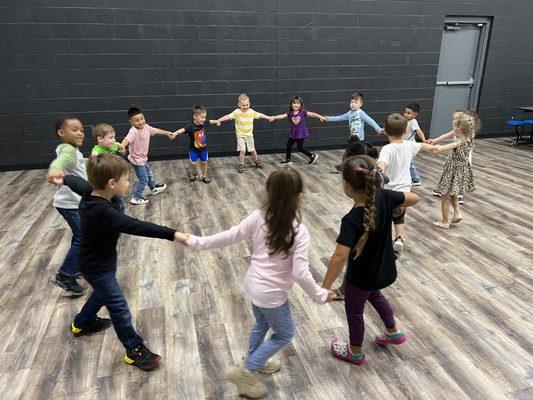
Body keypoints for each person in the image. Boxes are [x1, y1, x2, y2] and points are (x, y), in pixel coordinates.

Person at [175, 168, 335, 398]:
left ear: (268, 193)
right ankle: (248, 370)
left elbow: (230, 235)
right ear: (299, 197)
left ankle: (253, 361)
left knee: (261, 324)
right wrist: (320, 295)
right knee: (284, 333)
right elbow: (301, 273)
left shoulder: (258, 216)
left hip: (254, 286)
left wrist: (196, 241)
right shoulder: (299, 231)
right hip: (272, 295)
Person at [52, 154, 180, 371]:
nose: (129, 183)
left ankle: (81, 323)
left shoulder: (91, 193)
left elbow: (79, 183)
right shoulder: (104, 212)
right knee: (119, 307)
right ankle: (134, 349)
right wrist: (174, 234)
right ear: (111, 184)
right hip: (97, 267)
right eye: (126, 180)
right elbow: (136, 225)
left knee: (101, 295)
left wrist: (64, 178)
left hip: (100, 262)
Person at [322, 155, 420, 365]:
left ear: (346, 186)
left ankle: (355, 351)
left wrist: (326, 286)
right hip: (384, 270)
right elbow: (414, 198)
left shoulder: (351, 220)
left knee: (355, 309)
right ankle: (393, 332)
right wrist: (398, 207)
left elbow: (339, 257)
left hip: (361, 277)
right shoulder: (385, 197)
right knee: (374, 295)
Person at [377, 113, 435, 252]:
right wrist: (434, 147)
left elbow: (382, 163)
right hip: (404, 191)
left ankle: (381, 240)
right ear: (404, 132)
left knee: (384, 215)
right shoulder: (409, 145)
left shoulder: (387, 148)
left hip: (389, 190)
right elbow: (422, 146)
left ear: (385, 130)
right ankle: (399, 238)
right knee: (399, 214)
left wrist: (380, 170)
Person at [46, 116, 88, 296]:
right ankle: (65, 275)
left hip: (73, 203)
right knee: (83, 237)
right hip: (70, 204)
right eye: (74, 129)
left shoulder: (72, 150)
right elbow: (61, 162)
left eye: (81, 129)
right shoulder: (68, 151)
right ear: (61, 133)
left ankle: (75, 265)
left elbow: (74, 164)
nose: (80, 132)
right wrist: (54, 170)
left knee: (80, 235)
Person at [432, 112, 477, 229]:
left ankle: (445, 221)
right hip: (461, 170)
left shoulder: (459, 141)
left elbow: (448, 146)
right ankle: (457, 214)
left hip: (453, 170)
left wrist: (438, 148)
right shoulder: (469, 138)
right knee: (453, 192)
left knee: (444, 195)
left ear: (458, 129)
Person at [427, 108, 481, 205]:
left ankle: (458, 196)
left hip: (463, 160)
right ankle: (445, 190)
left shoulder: (466, 135)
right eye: (453, 119)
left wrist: (440, 148)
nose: (454, 121)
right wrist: (435, 140)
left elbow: (454, 144)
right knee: (450, 176)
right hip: (455, 158)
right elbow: (446, 135)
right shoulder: (457, 130)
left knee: (457, 177)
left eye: (456, 118)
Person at [121, 106, 174, 205]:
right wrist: (122, 146)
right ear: (131, 122)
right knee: (143, 179)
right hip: (137, 160)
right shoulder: (133, 131)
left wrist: (167, 133)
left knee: (149, 174)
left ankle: (153, 189)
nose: (141, 122)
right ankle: (136, 197)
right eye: (137, 121)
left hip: (142, 159)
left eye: (142, 119)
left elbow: (156, 131)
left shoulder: (146, 127)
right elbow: (127, 139)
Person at [214, 93, 273, 173]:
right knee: (242, 151)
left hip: (249, 135)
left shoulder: (251, 112)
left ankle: (256, 161)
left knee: (252, 150)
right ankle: (241, 164)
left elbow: (260, 115)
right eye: (243, 105)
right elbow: (227, 116)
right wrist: (218, 120)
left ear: (249, 104)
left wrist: (269, 117)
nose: (245, 107)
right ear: (239, 105)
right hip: (240, 135)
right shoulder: (237, 112)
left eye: (247, 105)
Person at [171, 105, 221, 183]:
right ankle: (194, 172)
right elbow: (183, 129)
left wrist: (216, 121)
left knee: (204, 162)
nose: (204, 119)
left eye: (205, 117)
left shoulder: (204, 123)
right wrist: (175, 133)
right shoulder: (190, 126)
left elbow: (210, 121)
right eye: (202, 117)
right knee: (193, 163)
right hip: (193, 149)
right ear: (195, 117)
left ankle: (204, 176)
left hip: (203, 149)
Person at [271, 96, 326, 165]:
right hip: (294, 133)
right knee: (288, 145)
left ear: (300, 105)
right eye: (294, 103)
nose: (296, 105)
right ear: (291, 104)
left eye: (298, 103)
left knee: (300, 148)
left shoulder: (303, 112)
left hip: (300, 133)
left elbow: (312, 114)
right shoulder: (290, 113)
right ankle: (288, 159)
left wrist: (320, 117)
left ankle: (312, 156)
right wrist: (274, 117)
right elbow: (282, 116)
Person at [90, 123, 126, 213]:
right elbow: (93, 158)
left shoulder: (111, 145)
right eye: (111, 137)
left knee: (120, 200)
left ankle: (121, 215)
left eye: (114, 137)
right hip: (105, 181)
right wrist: (94, 158)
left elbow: (118, 145)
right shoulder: (97, 150)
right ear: (100, 139)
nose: (113, 140)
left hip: (115, 178)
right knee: (108, 201)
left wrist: (122, 147)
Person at [402, 103, 427, 186]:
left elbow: (418, 131)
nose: (406, 114)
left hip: (410, 145)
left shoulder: (413, 122)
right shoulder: (405, 120)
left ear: (415, 114)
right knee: (404, 161)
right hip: (403, 144)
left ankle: (416, 179)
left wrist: (424, 140)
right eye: (405, 112)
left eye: (409, 113)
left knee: (409, 162)